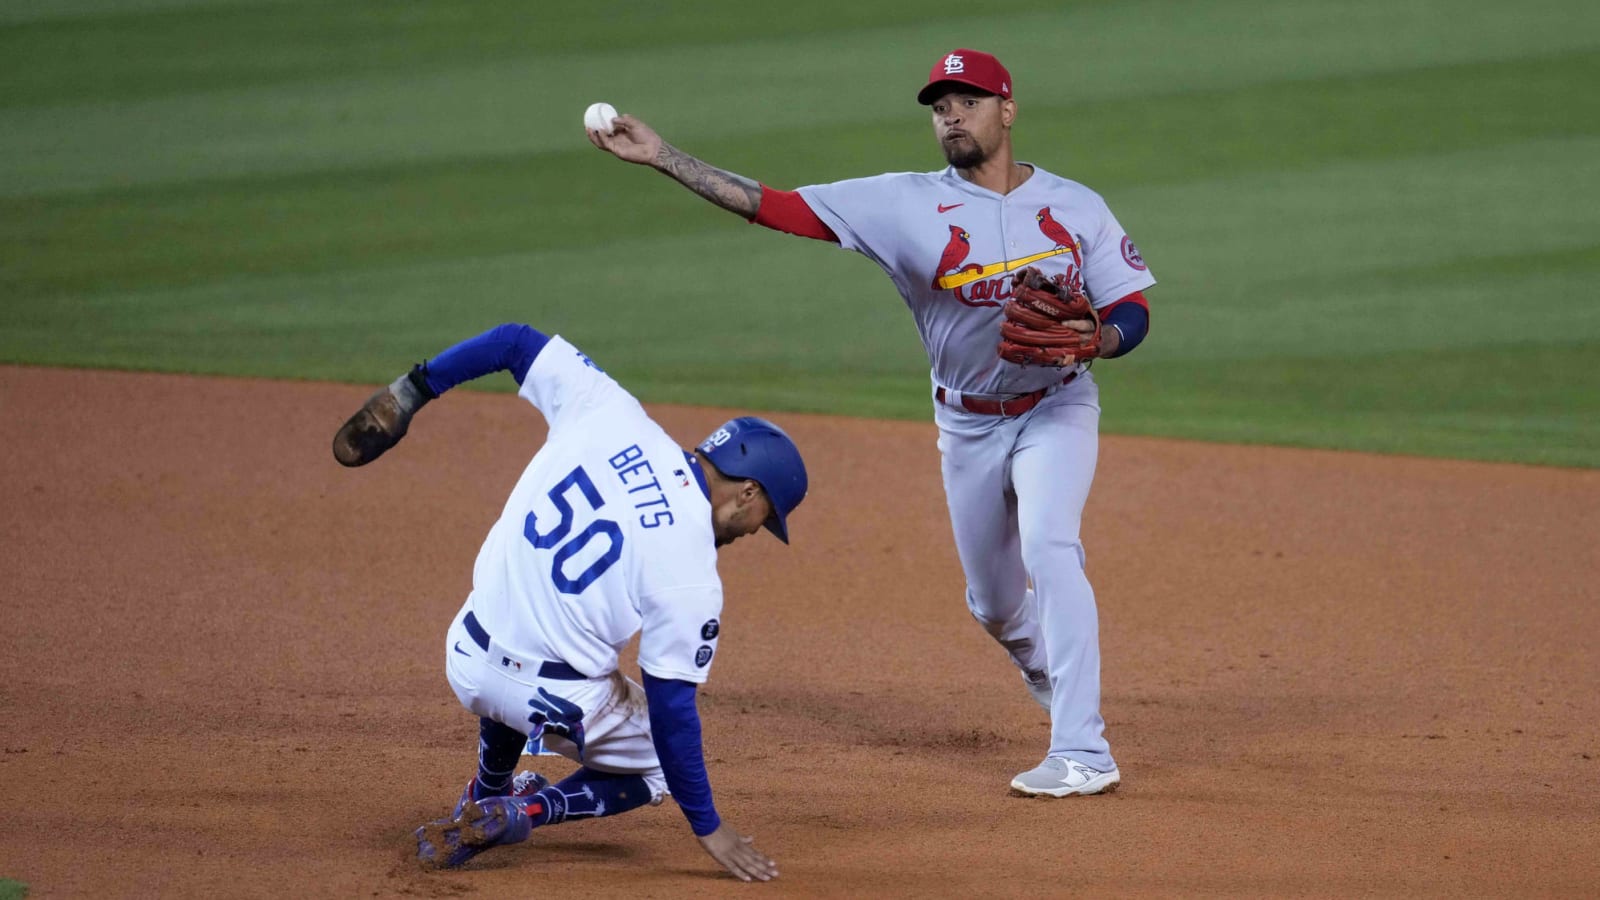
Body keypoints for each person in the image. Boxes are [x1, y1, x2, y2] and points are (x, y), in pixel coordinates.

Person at [588, 49, 1154, 798]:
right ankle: (1049, 671)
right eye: (939, 104)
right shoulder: (902, 203)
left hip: (1059, 406)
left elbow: (1131, 307)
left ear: (1007, 109)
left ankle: (1084, 750)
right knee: (992, 602)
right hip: (968, 423)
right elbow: (775, 205)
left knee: (1052, 546)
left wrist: (1102, 340)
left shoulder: (1075, 205)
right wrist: (663, 157)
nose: (950, 114)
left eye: (968, 100)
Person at [331, 322, 807, 880]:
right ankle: (521, 810)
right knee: (661, 765)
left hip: (464, 655)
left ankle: (486, 788)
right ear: (749, 491)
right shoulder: (694, 575)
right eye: (766, 517)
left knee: (529, 612)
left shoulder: (611, 412)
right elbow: (674, 710)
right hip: (550, 702)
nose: (756, 532)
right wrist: (708, 826)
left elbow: (512, 340)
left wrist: (411, 392)